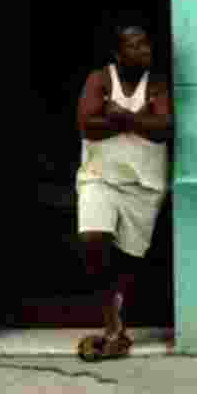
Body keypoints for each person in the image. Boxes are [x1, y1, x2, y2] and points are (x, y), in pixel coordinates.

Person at [74, 24, 172, 361]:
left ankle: (115, 324)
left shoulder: (156, 83)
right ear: (118, 53)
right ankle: (112, 324)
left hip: (144, 184)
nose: (144, 50)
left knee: (127, 260)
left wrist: (118, 116)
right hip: (99, 176)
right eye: (134, 45)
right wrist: (139, 120)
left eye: (146, 44)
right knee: (93, 239)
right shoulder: (99, 79)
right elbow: (87, 125)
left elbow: (164, 130)